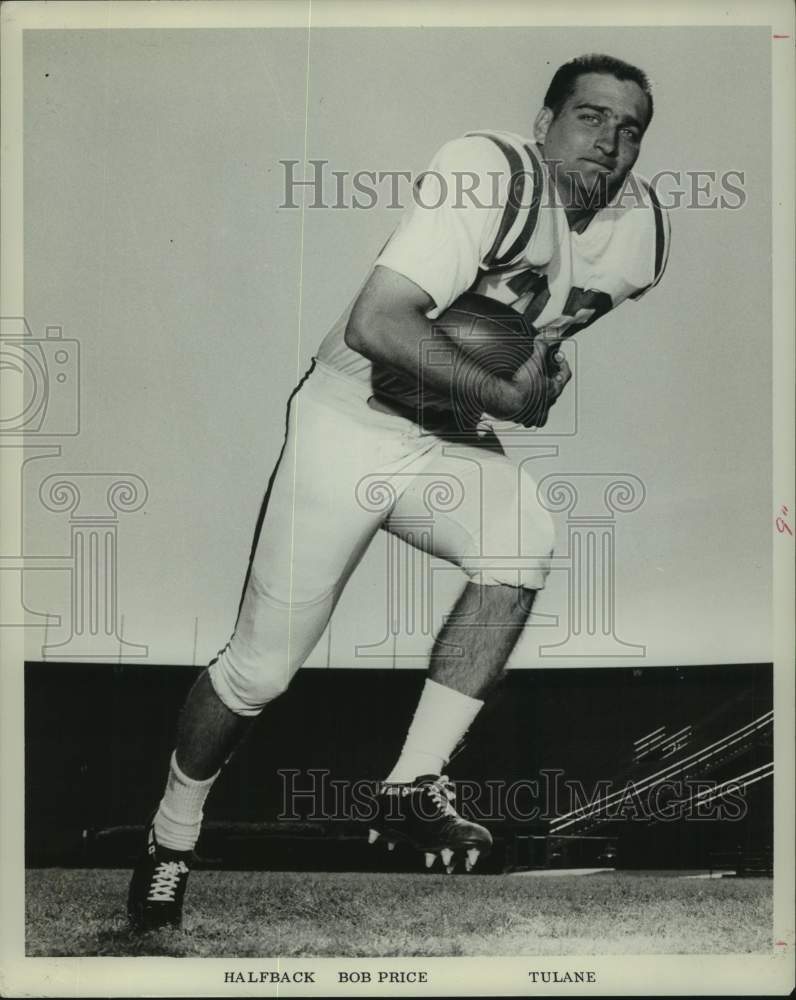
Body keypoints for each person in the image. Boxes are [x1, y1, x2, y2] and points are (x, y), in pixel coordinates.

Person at [128, 53, 670, 931]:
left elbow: (534, 334)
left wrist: (531, 368)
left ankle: (411, 785)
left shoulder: (638, 235)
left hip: (443, 431)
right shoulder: (488, 172)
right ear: (543, 123)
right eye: (589, 116)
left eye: (630, 128)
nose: (609, 142)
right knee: (258, 672)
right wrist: (510, 394)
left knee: (524, 535)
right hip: (351, 421)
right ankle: (171, 837)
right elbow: (378, 323)